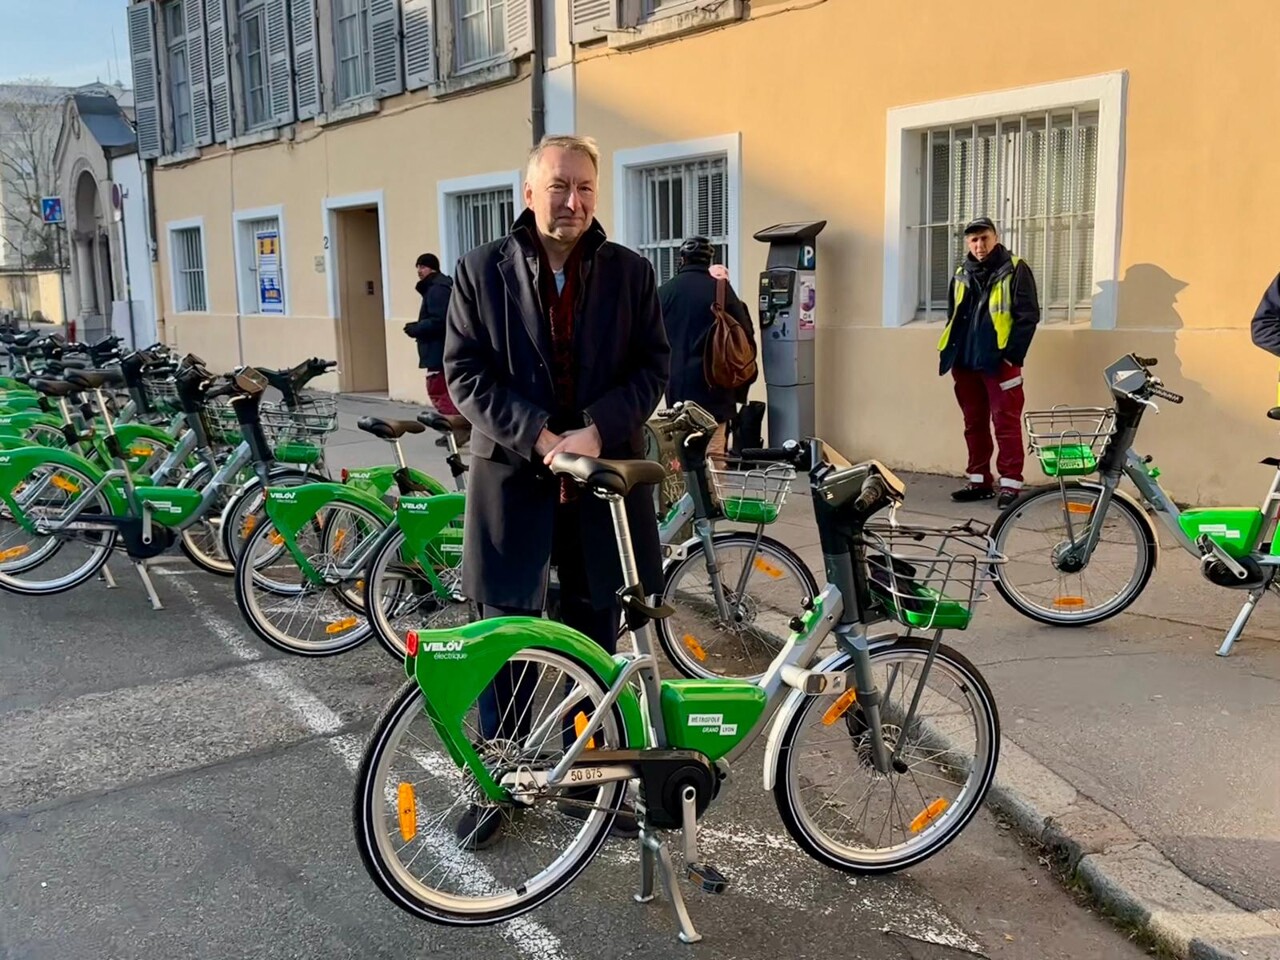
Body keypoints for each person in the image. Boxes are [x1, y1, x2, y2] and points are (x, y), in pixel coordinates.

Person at [443, 134, 670, 849]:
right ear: (529, 193)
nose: (572, 202)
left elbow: (651, 368)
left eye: (585, 189)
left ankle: (588, 780)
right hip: (515, 477)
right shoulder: (480, 271)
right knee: (503, 637)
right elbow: (465, 374)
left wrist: (599, 432)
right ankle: (498, 783)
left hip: (601, 483)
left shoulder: (631, 274)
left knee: (595, 632)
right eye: (559, 187)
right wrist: (541, 438)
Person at [939, 216, 1040, 509]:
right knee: (974, 424)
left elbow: (1028, 315)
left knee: (1005, 423)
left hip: (999, 363)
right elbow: (952, 314)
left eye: (984, 238)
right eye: (973, 240)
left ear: (995, 237)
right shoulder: (961, 272)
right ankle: (979, 479)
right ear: (967, 243)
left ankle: (1010, 484)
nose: (979, 245)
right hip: (965, 361)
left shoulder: (1015, 267)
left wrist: (1011, 355)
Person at [657, 237, 756, 460]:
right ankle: (712, 494)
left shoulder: (664, 292)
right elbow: (745, 335)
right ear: (708, 260)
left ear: (682, 259)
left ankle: (687, 493)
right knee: (714, 451)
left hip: (677, 384)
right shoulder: (721, 290)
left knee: (683, 452)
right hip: (716, 383)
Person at [402, 253, 468, 444]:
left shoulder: (437, 289)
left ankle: (458, 428)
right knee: (446, 389)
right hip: (444, 347)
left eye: (422, 267)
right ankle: (456, 429)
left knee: (437, 388)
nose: (419, 272)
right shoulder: (440, 286)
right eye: (418, 267)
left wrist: (417, 328)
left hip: (439, 348)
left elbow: (440, 320)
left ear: (432, 268)